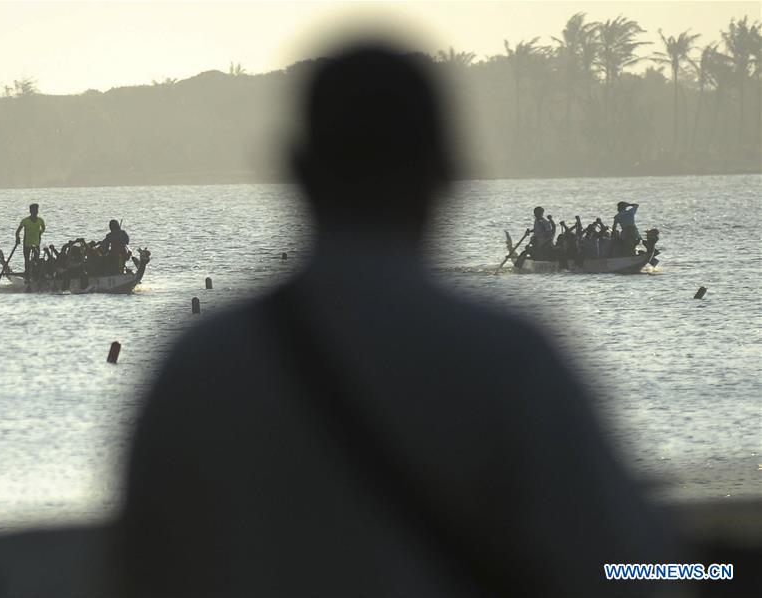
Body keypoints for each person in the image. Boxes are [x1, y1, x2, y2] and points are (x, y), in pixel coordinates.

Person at [117, 41, 675, 596]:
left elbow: (140, 571)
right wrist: (709, 568)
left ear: (296, 171)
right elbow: (628, 571)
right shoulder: (512, 360)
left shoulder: (197, 363)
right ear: (447, 175)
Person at [15, 203, 45, 277]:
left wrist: (39, 234)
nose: (35, 212)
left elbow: (43, 228)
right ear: (30, 211)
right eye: (34, 210)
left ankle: (35, 272)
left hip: (36, 242)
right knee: (27, 259)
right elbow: (17, 231)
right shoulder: (25, 221)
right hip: (27, 243)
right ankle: (27, 272)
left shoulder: (40, 220)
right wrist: (17, 238)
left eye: (36, 210)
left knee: (36, 259)